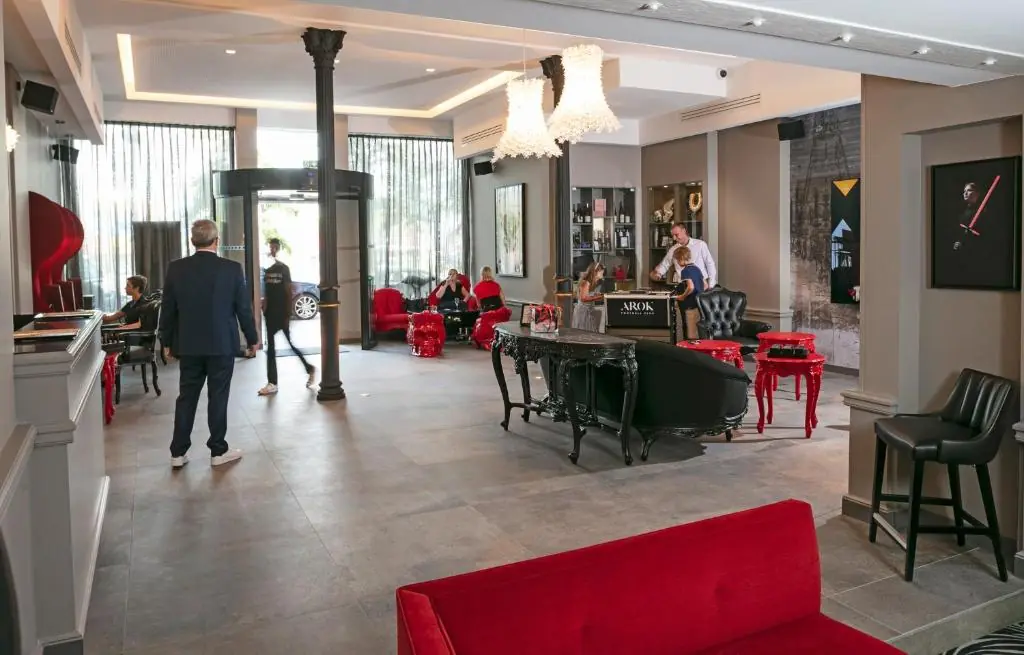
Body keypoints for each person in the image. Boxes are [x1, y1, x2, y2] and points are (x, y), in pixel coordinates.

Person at [159, 219, 259, 469]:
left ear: (193, 241)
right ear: (217, 241)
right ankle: (217, 450)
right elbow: (243, 309)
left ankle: (177, 452)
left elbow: (168, 309)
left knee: (186, 397)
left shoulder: (176, 269)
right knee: (218, 397)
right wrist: (252, 338)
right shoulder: (232, 269)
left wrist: (166, 341)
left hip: (188, 345)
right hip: (221, 344)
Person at [259, 238, 316, 396]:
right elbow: (267, 292)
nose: (272, 250)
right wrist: (265, 307)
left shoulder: (284, 269)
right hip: (270, 314)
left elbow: (288, 291)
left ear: (278, 248)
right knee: (271, 349)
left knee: (290, 344)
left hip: (281, 313)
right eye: (270, 247)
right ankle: (272, 382)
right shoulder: (267, 270)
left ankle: (308, 368)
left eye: (274, 247)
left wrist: (288, 314)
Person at [650, 222, 717, 290]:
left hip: (702, 286)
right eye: (673, 235)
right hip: (683, 286)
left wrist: (711, 285)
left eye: (676, 235)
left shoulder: (700, 244)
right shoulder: (673, 249)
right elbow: (665, 264)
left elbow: (710, 264)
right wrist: (658, 274)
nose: (674, 238)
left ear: (684, 231)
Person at [672, 246, 705, 340]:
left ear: (681, 258)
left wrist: (682, 296)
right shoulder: (697, 268)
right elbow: (705, 285)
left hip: (689, 304)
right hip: (699, 304)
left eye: (678, 260)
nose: (677, 262)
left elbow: (690, 287)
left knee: (689, 331)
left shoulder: (685, 271)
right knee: (697, 331)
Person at [572, 262, 605, 332]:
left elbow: (588, 295)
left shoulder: (591, 283)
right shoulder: (586, 282)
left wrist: (597, 295)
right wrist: (599, 297)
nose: (602, 273)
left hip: (588, 311)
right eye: (601, 272)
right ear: (595, 272)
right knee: (584, 334)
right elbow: (583, 298)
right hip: (583, 312)